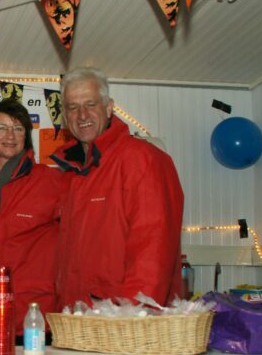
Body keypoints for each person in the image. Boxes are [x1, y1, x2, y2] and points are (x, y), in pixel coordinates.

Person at [50, 67, 184, 310]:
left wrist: (131, 316)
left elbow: (153, 251)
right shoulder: (72, 173)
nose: (82, 115)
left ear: (109, 107)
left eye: (90, 104)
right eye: (72, 107)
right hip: (81, 317)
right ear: (65, 116)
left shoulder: (141, 159)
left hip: (122, 322)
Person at [0, 99, 65, 335]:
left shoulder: (51, 182)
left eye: (18, 129)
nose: (10, 135)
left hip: (33, 320)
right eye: (2, 128)